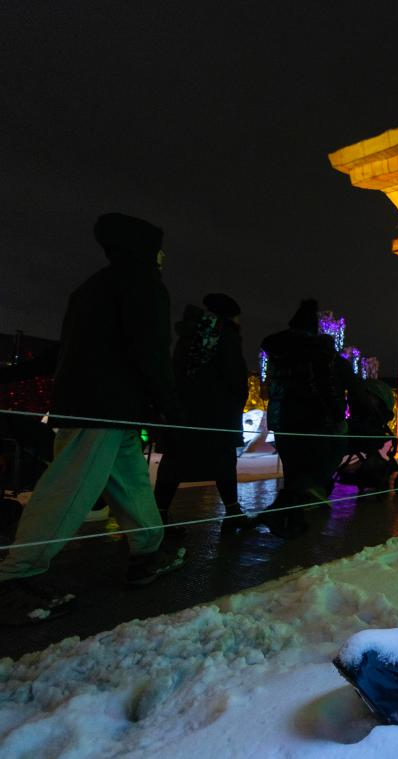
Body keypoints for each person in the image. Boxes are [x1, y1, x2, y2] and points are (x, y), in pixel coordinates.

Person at [0, 213, 186, 626]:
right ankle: (16, 575)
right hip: (104, 408)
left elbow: (63, 351)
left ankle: (148, 550)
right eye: (158, 248)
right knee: (69, 486)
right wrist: (171, 406)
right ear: (144, 250)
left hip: (98, 406)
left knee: (131, 481)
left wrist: (11, 374)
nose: (163, 257)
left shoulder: (91, 289)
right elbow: (150, 349)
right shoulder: (143, 285)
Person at [153, 294, 249, 534]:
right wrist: (236, 401)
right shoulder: (225, 336)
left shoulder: (190, 335)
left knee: (175, 461)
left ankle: (159, 514)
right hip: (217, 413)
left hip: (184, 411)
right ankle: (233, 511)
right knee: (224, 461)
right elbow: (235, 377)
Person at [259, 299, 352, 537]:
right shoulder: (317, 351)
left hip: (283, 417)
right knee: (318, 466)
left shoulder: (279, 352)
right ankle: (281, 510)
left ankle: (293, 521)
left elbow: (271, 386)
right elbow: (325, 385)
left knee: (293, 469)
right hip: (313, 419)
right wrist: (336, 411)